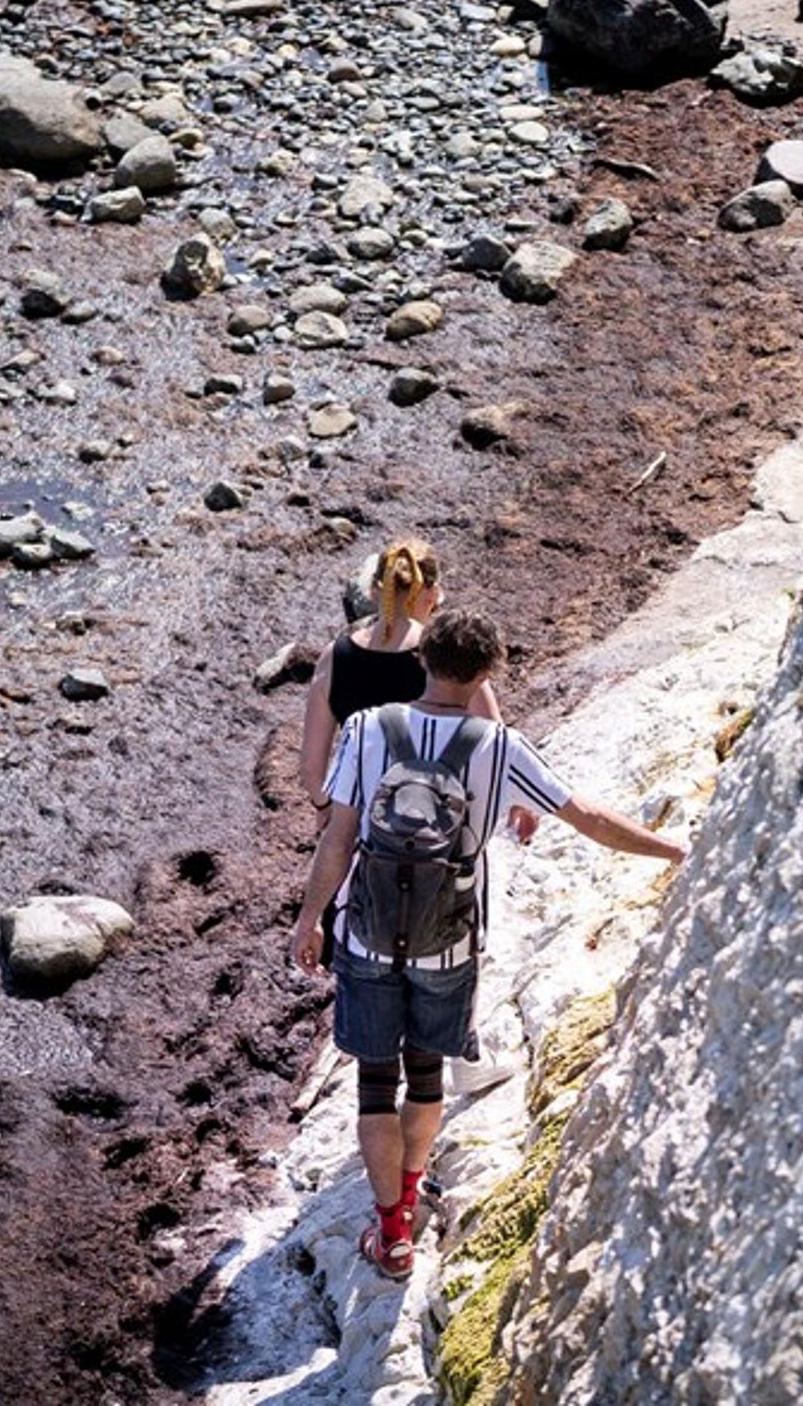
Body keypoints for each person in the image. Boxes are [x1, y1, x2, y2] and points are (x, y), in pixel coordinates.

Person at [290, 609, 685, 1281]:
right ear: (485, 676)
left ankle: (390, 1233)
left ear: (423, 660)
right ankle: (413, 1198)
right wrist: (672, 848)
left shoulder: (366, 729)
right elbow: (586, 816)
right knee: (426, 1076)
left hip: (367, 935)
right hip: (450, 942)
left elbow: (338, 837)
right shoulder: (499, 745)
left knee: (374, 1085)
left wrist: (311, 918)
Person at [296, 539, 504, 822]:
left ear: (373, 590)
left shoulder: (335, 656)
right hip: (435, 824)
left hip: (362, 824)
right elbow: (495, 742)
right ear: (432, 595)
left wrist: (325, 809)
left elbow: (310, 769)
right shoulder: (447, 652)